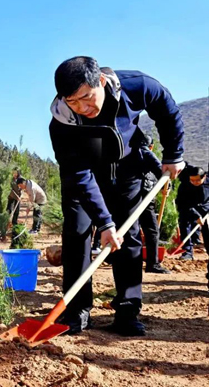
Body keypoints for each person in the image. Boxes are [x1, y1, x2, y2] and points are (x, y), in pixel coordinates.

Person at [49, 56, 184, 336]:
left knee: (129, 235)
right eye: (72, 102)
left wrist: (173, 155)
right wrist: (105, 223)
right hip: (84, 174)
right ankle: (76, 311)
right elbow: (78, 175)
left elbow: (167, 109)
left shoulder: (137, 86)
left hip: (126, 167)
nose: (82, 108)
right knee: (77, 232)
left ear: (100, 81)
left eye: (86, 98)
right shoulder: (61, 121)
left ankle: (127, 309)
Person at [139, 134, 171, 274]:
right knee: (151, 231)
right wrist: (167, 185)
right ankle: (152, 264)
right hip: (143, 199)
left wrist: (166, 187)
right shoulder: (146, 153)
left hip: (132, 198)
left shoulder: (127, 152)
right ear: (151, 147)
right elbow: (161, 171)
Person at [175, 165, 209, 261]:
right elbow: (182, 203)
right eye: (192, 180)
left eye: (197, 180)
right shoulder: (184, 186)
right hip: (188, 207)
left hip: (205, 207)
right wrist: (196, 215)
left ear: (204, 177)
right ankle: (187, 252)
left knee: (207, 229)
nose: (194, 183)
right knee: (185, 225)